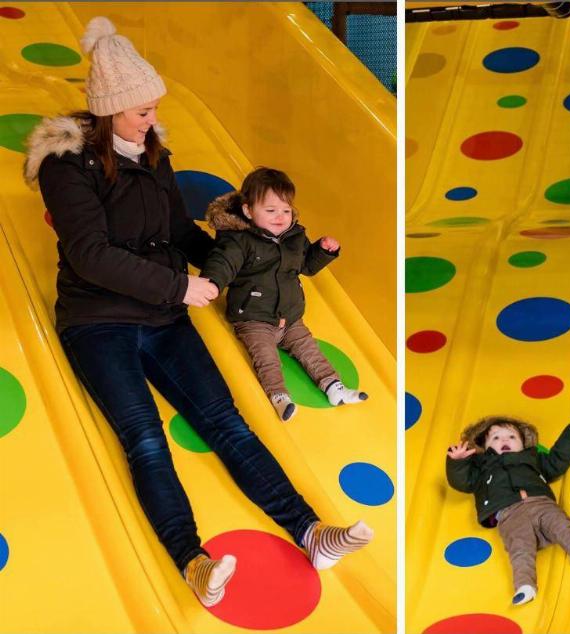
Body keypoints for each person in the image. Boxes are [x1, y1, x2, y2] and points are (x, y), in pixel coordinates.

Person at [24, 16, 372, 608]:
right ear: (110, 109)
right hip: (99, 320)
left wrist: (237, 262)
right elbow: (88, 254)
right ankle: (193, 562)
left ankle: (311, 532)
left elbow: (176, 231)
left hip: (162, 318)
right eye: (141, 111)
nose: (152, 117)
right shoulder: (68, 164)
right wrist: (178, 289)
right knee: (145, 437)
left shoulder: (156, 156)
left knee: (228, 422)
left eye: (154, 106)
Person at [200, 167, 368, 422]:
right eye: (270, 211)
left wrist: (322, 251)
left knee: (309, 350)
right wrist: (212, 282)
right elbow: (224, 262)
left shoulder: (294, 236)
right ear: (248, 210)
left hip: (289, 316)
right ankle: (279, 396)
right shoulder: (238, 240)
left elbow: (306, 266)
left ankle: (334, 387)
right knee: (266, 357)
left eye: (286, 210)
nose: (280, 217)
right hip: (253, 317)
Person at [446, 412, 570, 606]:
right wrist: (457, 461)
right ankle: (525, 587)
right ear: (484, 447)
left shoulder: (532, 459)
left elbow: (557, 460)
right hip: (509, 513)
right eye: (496, 438)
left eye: (512, 437)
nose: (504, 439)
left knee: (562, 526)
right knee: (520, 549)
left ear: (523, 443)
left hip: (542, 504)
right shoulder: (482, 468)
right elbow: (462, 482)